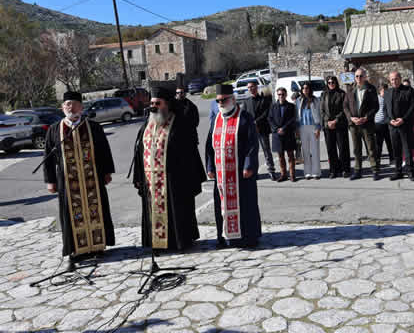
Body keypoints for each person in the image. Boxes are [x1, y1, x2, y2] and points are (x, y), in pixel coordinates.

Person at [44, 91, 116, 267]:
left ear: (81, 107)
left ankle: (98, 246)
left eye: (74, 104)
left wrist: (107, 172)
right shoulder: (55, 129)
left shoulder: (93, 127)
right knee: (70, 214)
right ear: (62, 108)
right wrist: (50, 181)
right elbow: (48, 156)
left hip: (93, 180)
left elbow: (104, 151)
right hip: (68, 184)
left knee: (96, 209)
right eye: (67, 104)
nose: (70, 107)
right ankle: (76, 249)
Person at [132, 86, 205, 251]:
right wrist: (138, 177)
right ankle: (158, 243)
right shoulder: (146, 126)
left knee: (177, 212)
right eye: (152, 103)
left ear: (167, 104)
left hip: (175, 182)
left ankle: (179, 241)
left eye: (158, 103)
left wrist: (189, 178)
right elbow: (139, 153)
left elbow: (191, 154)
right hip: (152, 182)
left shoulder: (180, 124)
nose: (154, 106)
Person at [206, 85, 262, 248]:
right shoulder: (216, 119)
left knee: (245, 206)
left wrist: (249, 165)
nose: (221, 103)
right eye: (218, 101)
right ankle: (225, 238)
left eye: (224, 100)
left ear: (232, 99)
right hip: (221, 174)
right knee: (222, 207)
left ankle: (248, 238)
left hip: (240, 175)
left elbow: (252, 145)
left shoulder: (244, 118)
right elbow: (209, 146)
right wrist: (210, 167)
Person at [344, 68, 380, 180]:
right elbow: (345, 106)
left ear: (365, 77)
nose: (359, 78)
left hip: (366, 124)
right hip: (354, 125)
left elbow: (375, 106)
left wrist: (366, 117)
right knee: (356, 149)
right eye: (357, 76)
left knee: (371, 147)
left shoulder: (371, 89)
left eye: (361, 76)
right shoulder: (350, 89)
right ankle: (358, 171)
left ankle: (375, 170)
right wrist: (351, 118)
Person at [384, 71, 414, 181]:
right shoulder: (387, 92)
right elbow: (385, 110)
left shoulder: (408, 90)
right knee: (396, 150)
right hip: (392, 126)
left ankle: (410, 171)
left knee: (407, 150)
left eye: (396, 79)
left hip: (405, 125)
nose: (394, 81)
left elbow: (412, 107)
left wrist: (403, 119)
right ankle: (398, 171)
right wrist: (390, 121)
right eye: (392, 79)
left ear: (400, 78)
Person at [244, 81, 276, 180]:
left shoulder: (264, 99)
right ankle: (254, 172)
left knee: (267, 150)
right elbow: (244, 115)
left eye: (252, 87)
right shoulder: (246, 101)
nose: (251, 89)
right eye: (249, 88)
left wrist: (256, 122)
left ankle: (271, 171)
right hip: (251, 131)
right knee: (252, 152)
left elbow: (266, 113)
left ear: (256, 87)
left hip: (262, 129)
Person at [321, 76, 351, 178]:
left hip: (340, 125)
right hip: (328, 125)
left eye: (333, 82)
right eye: (329, 82)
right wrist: (328, 121)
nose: (331, 84)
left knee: (343, 148)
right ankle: (333, 170)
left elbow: (344, 109)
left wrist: (335, 120)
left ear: (336, 83)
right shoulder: (324, 94)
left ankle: (345, 169)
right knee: (331, 149)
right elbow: (322, 110)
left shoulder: (342, 94)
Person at [268, 87, 297, 182]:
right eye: (279, 94)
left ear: (286, 95)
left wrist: (284, 128)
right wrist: (277, 129)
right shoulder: (273, 106)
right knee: (280, 157)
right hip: (277, 135)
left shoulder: (291, 106)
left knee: (291, 156)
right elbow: (270, 119)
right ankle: (283, 174)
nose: (281, 96)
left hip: (288, 134)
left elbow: (293, 119)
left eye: (282, 94)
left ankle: (292, 175)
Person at [296, 82, 322, 180]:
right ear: (301, 90)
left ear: (310, 89)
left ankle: (316, 172)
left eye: (307, 88)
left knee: (315, 150)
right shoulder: (298, 100)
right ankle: (307, 172)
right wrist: (297, 129)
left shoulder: (315, 100)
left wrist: (318, 128)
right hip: (302, 127)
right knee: (305, 151)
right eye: (304, 88)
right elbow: (296, 115)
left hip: (314, 127)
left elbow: (319, 113)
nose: (305, 90)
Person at [374, 84, 394, 166]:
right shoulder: (376, 99)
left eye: (386, 91)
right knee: (378, 144)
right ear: (380, 91)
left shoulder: (388, 99)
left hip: (387, 124)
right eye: (383, 91)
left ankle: (392, 159)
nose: (385, 92)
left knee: (390, 143)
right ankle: (377, 160)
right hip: (378, 124)